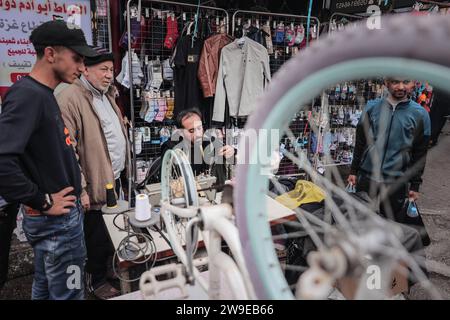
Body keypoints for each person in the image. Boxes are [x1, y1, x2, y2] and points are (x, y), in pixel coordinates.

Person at [0, 20, 98, 300]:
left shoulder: (42, 93)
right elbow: (3, 161)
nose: (81, 68)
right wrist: (42, 200)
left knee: (44, 286)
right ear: (51, 54)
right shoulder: (28, 95)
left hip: (59, 221)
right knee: (71, 290)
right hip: (57, 222)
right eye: (76, 58)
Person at [56, 51, 127, 299]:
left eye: (111, 69)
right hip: (93, 184)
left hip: (112, 179)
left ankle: (107, 270)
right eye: (103, 69)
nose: (109, 75)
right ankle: (94, 281)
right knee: (94, 237)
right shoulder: (70, 97)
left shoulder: (106, 94)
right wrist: (82, 189)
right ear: (86, 69)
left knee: (110, 232)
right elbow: (68, 150)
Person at [348, 77, 431, 223]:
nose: (400, 87)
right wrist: (354, 171)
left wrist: (415, 185)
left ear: (414, 83)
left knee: (390, 224)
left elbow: (420, 153)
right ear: (386, 83)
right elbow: (360, 143)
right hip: (367, 177)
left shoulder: (420, 115)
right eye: (395, 82)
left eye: (406, 82)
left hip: (396, 181)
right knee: (359, 220)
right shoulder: (371, 108)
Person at [161, 108, 235, 185]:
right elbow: (169, 180)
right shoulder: (171, 148)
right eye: (191, 131)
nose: (198, 134)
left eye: (199, 128)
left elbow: (231, 157)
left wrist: (231, 152)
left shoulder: (209, 140)